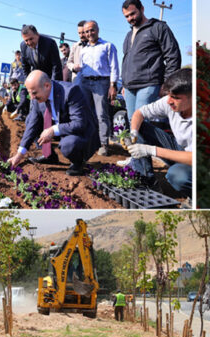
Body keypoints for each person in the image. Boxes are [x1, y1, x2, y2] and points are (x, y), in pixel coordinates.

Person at [7, 70, 99, 176]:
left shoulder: (71, 91)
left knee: (68, 145)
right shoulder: (37, 97)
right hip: (61, 127)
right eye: (29, 93)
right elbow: (32, 124)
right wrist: (19, 154)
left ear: (46, 86)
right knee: (29, 121)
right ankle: (49, 156)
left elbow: (80, 123)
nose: (32, 97)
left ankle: (78, 162)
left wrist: (53, 130)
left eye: (34, 93)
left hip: (81, 133)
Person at [127, 68, 192, 196]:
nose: (169, 101)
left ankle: (192, 197)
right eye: (169, 95)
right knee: (140, 126)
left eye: (175, 97)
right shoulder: (169, 101)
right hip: (180, 148)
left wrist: (151, 150)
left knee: (177, 175)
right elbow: (139, 113)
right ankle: (147, 181)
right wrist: (134, 132)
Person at [121, 0, 182, 121]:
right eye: (126, 16)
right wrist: (124, 84)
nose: (130, 18)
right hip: (129, 87)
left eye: (132, 14)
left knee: (141, 121)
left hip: (149, 84)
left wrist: (167, 84)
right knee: (133, 122)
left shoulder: (158, 27)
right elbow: (126, 61)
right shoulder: (128, 35)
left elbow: (173, 56)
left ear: (142, 9)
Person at [76, 20, 120, 157]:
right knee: (85, 113)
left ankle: (103, 144)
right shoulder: (84, 50)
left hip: (101, 83)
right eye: (86, 31)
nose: (89, 33)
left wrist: (113, 85)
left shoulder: (108, 46)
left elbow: (114, 67)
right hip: (85, 83)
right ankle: (89, 141)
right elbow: (82, 68)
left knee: (101, 114)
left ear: (98, 29)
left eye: (92, 30)